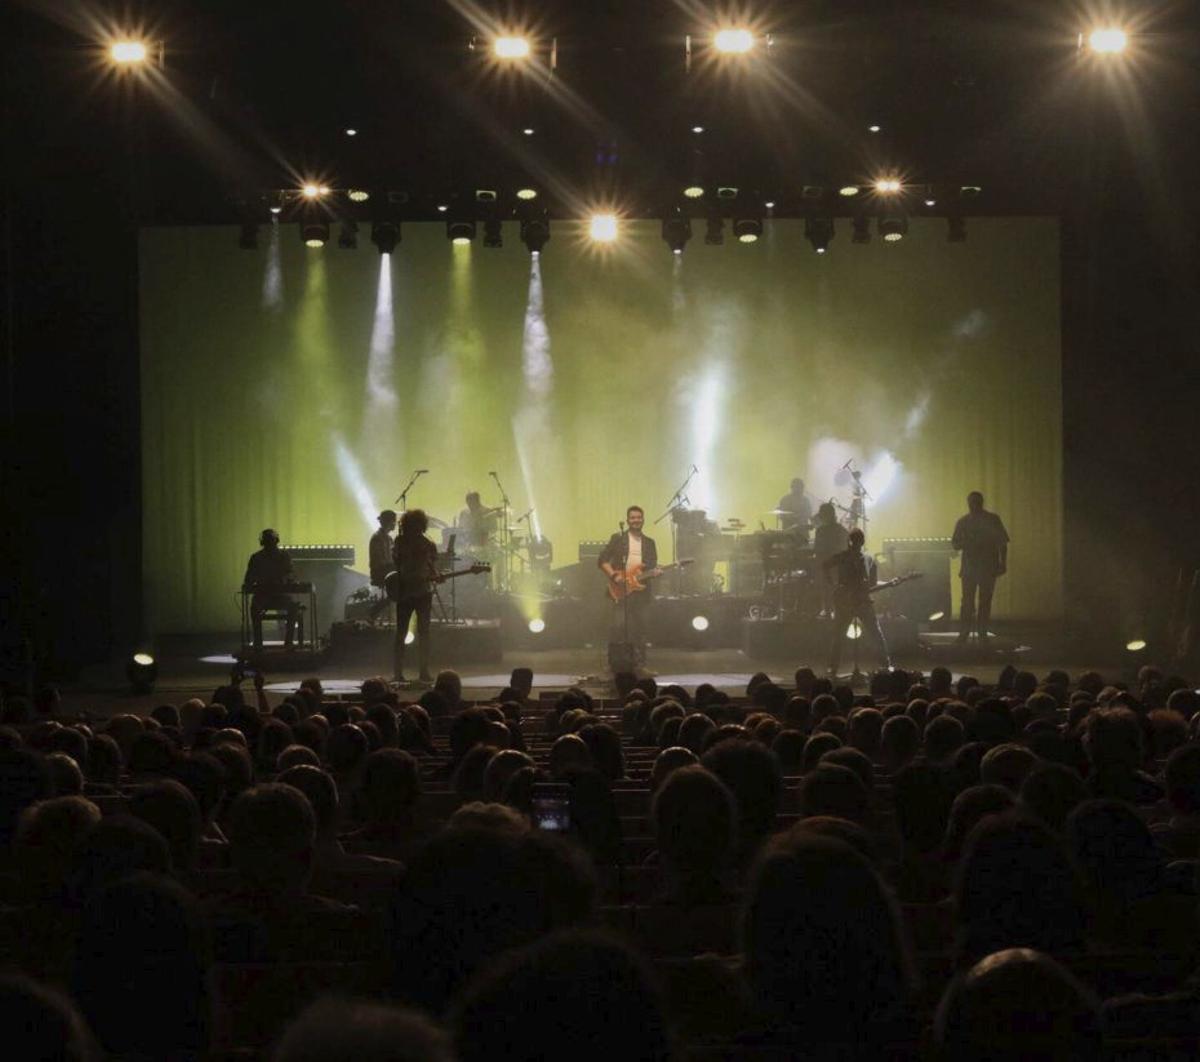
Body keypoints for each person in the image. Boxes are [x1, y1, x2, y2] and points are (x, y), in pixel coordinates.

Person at [598, 505, 660, 673]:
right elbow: (602, 560)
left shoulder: (650, 543)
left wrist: (655, 573)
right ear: (627, 520)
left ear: (643, 520)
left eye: (639, 517)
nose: (636, 520)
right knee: (618, 627)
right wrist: (614, 576)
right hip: (619, 589)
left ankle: (640, 665)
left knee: (640, 629)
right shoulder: (618, 538)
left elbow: (652, 567)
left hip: (641, 590)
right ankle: (613, 665)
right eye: (633, 518)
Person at [823, 527, 891, 676]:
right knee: (871, 633)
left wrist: (834, 585)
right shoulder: (858, 558)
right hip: (850, 601)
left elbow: (825, 565)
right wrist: (834, 585)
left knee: (845, 634)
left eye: (856, 541)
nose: (856, 544)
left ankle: (833, 667)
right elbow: (825, 566)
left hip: (858, 600)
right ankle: (885, 664)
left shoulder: (865, 559)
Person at [951, 491, 1009, 645]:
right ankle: (969, 633)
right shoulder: (985, 520)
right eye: (972, 502)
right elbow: (955, 544)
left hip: (982, 567)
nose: (974, 505)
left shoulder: (975, 520)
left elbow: (1002, 543)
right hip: (977, 568)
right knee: (972, 602)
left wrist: (1003, 563)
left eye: (975, 502)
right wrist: (1003, 563)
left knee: (978, 602)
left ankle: (974, 633)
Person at [392, 509, 441, 685]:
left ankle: (400, 673)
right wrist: (434, 575)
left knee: (403, 633)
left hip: (408, 592)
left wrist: (434, 574)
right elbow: (432, 565)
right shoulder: (427, 543)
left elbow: (397, 563)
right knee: (422, 633)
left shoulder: (400, 541)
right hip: (419, 592)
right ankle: (422, 672)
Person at [242, 528, 300, 650]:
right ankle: (285, 643)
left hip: (272, 596)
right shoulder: (278, 556)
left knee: (292, 606)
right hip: (270, 596)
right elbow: (249, 579)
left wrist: (283, 579)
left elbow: (249, 580)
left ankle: (260, 643)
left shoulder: (259, 557)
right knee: (292, 606)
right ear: (276, 540)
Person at [812, 502, 844, 616]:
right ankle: (836, 609)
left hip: (826, 565)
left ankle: (825, 609)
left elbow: (817, 550)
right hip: (840, 566)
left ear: (823, 516)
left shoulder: (821, 531)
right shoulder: (842, 529)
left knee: (823, 584)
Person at [368, 509, 397, 624]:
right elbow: (380, 561)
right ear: (389, 522)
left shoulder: (388, 538)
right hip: (379, 572)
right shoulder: (377, 538)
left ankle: (378, 610)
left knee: (402, 587)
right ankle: (375, 610)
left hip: (387, 570)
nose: (395, 524)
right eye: (394, 521)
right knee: (403, 586)